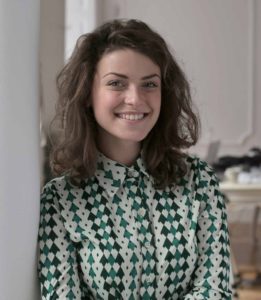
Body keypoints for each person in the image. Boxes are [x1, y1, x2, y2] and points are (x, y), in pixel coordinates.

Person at [38, 19, 232, 299]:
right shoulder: (60, 200)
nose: (135, 99)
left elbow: (214, 290)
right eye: (116, 83)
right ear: (88, 94)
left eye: (149, 84)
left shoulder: (198, 180)